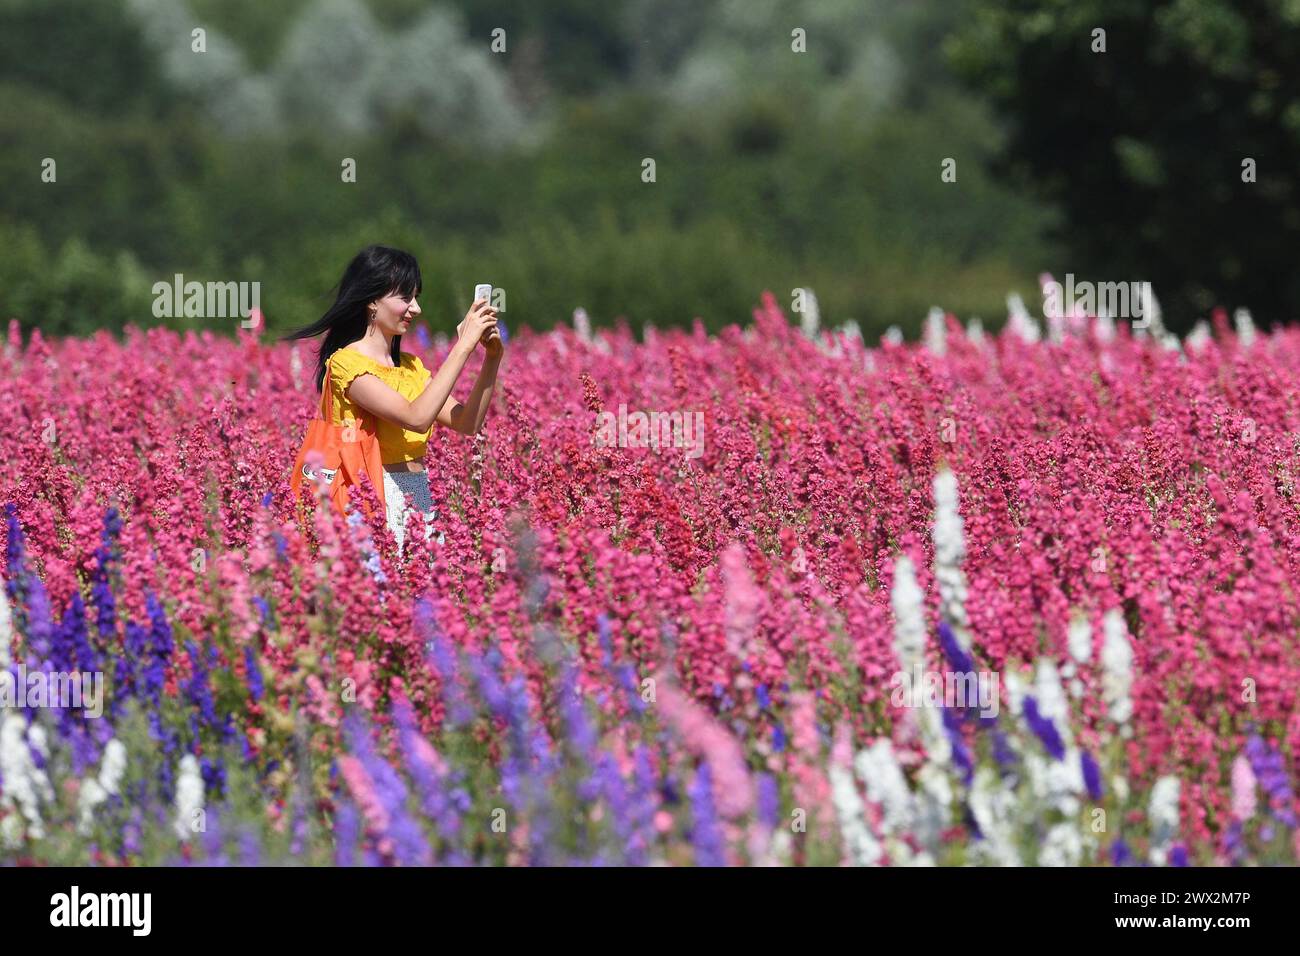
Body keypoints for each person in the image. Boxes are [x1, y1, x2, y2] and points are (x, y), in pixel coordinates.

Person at [283, 244, 502, 548]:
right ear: (372, 301)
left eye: (416, 298)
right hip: (372, 497)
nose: (416, 309)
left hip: (419, 495)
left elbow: (467, 422)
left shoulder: (410, 367)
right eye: (405, 298)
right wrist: (462, 345)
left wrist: (492, 357)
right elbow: (416, 417)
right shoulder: (347, 364)